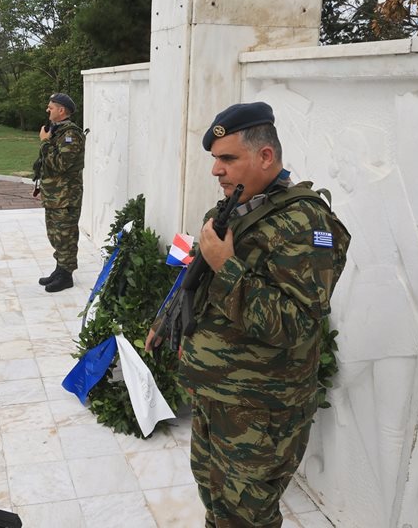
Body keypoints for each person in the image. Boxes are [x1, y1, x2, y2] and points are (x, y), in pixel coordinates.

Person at [146, 102, 351, 528]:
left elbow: (296, 323)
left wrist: (227, 265)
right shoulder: (241, 208)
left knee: (247, 517)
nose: (216, 171)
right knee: (217, 502)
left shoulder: (307, 224)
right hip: (218, 397)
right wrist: (166, 320)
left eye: (227, 159)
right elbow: (195, 279)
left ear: (265, 156)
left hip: (260, 411)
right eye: (215, 160)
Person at [32, 92, 86, 293]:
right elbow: (45, 164)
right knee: (55, 236)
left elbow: (61, 164)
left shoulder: (71, 134)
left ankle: (66, 275)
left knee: (66, 236)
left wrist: (45, 142)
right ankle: (60, 269)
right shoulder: (57, 131)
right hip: (54, 196)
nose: (48, 109)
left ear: (61, 110)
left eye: (51, 107)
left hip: (66, 197)